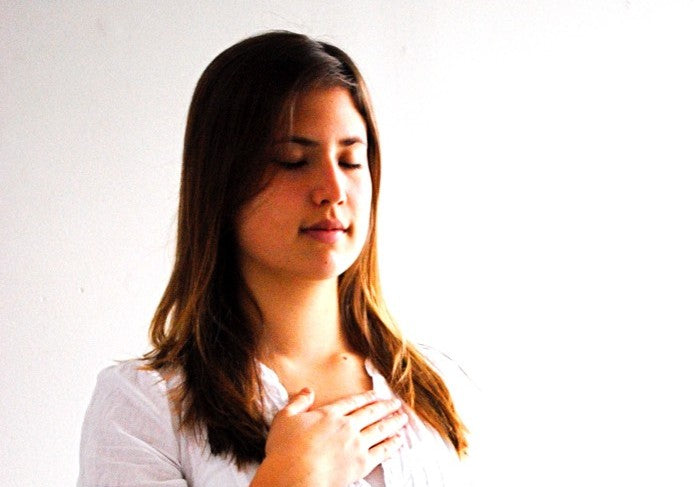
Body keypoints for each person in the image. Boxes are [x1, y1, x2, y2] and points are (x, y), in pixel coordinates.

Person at [78, 31, 471, 486]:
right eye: (292, 160)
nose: (333, 190)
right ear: (223, 182)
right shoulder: (144, 406)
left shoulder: (429, 389)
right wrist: (289, 478)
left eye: (350, 161)